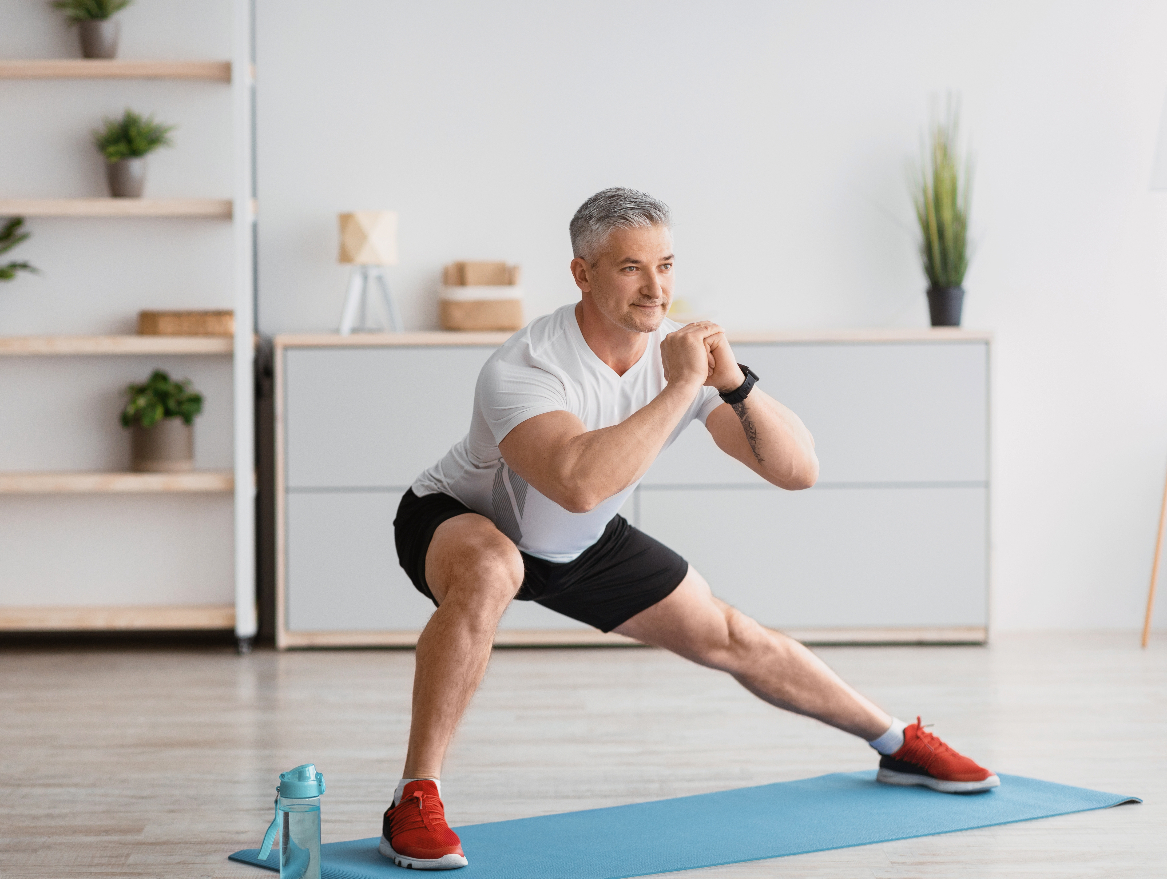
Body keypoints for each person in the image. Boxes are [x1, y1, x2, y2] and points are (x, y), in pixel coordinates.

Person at [380, 188, 997, 870]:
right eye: (631, 268)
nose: (657, 288)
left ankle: (896, 744)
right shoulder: (526, 366)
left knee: (732, 635)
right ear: (582, 274)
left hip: (578, 541)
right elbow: (579, 480)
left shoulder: (680, 360)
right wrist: (681, 387)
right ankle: (416, 794)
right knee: (496, 567)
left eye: (666, 265)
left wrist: (732, 383)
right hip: (460, 518)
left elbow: (800, 471)